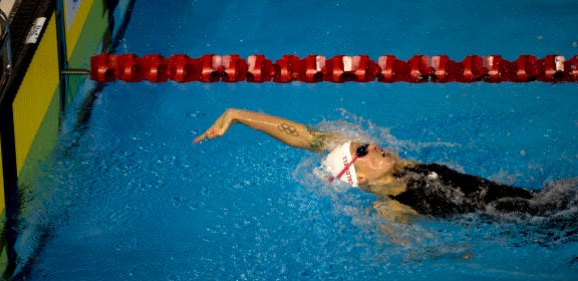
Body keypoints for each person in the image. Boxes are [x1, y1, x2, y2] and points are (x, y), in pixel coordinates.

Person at [194, 108, 573, 222]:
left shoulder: (401, 165)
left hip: (539, 201)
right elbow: (409, 251)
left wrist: (238, 115)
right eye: (363, 152)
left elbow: (306, 137)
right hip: (534, 227)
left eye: (366, 145)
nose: (372, 146)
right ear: (354, 176)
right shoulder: (390, 205)